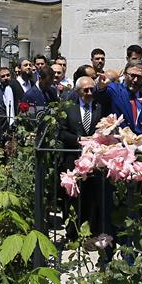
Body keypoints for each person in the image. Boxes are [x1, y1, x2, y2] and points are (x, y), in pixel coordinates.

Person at [59, 75, 106, 238]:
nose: (89, 93)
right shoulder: (68, 108)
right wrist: (78, 140)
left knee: (92, 196)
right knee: (73, 196)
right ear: (78, 91)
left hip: (94, 159)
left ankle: (90, 231)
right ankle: (72, 232)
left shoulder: (99, 107)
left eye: (92, 89)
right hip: (73, 158)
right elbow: (62, 132)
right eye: (86, 90)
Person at [104, 60, 142, 131]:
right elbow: (99, 93)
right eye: (132, 75)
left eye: (139, 77)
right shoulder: (115, 89)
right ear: (124, 74)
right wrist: (100, 87)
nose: (135, 80)